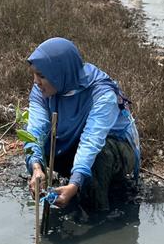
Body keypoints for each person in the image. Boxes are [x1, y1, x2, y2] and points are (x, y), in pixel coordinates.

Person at [25, 38, 140, 212]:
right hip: (75, 144)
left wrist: (75, 183)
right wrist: (36, 167)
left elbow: (91, 141)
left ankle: (96, 216)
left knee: (98, 159)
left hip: (113, 148)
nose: (36, 81)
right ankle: (78, 185)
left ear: (59, 73)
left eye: (42, 76)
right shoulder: (43, 90)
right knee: (44, 144)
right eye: (34, 74)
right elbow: (35, 129)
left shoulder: (102, 93)